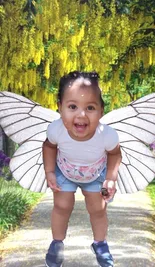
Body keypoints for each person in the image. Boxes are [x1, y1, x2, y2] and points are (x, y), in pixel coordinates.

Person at [42, 71, 122, 267]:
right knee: (61, 206)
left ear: (101, 111)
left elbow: (115, 154)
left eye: (90, 107)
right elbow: (49, 147)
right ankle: (57, 244)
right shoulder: (56, 129)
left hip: (96, 174)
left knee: (98, 210)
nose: (81, 114)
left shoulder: (107, 135)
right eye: (72, 106)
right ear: (60, 107)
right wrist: (50, 171)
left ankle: (100, 244)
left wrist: (110, 178)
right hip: (65, 171)